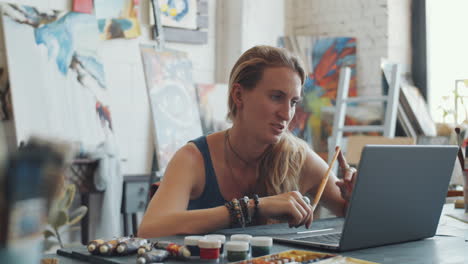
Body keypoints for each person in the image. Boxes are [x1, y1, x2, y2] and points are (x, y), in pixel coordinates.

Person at [138, 45, 357, 238]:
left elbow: (353, 214)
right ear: (239, 95)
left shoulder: (298, 158)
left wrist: (359, 196)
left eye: (293, 102)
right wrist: (251, 207)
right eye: (276, 97)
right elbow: (150, 229)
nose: (286, 113)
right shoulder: (193, 158)